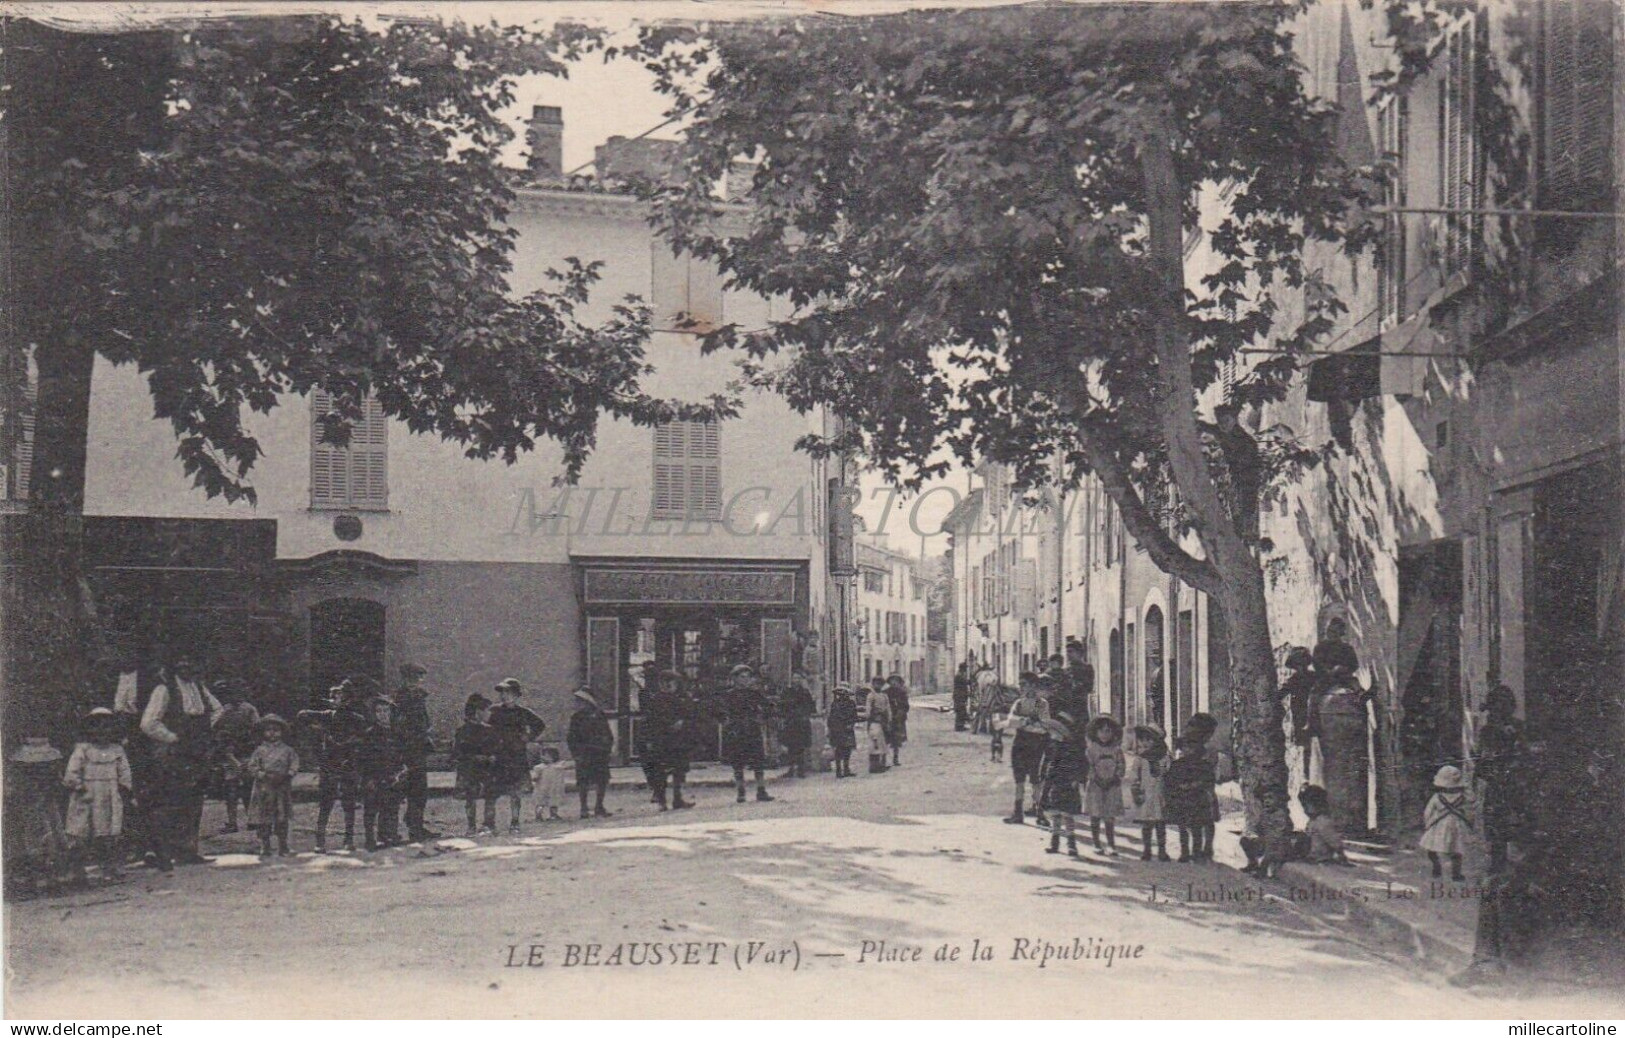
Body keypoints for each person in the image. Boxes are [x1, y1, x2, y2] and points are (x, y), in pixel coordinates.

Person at [140, 655, 223, 866]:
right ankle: (161, 852)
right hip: (172, 753)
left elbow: (218, 710)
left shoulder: (200, 689)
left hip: (195, 751)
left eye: (191, 664)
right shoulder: (164, 689)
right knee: (169, 800)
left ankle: (188, 850)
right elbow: (148, 723)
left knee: (193, 799)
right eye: (182, 664)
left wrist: (202, 732)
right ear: (174, 666)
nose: (186, 668)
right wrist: (173, 738)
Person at [298, 680, 369, 853]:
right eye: (334, 698)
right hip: (329, 764)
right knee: (326, 802)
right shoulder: (327, 715)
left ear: (349, 700)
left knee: (349, 803)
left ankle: (348, 839)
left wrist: (348, 743)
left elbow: (364, 739)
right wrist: (319, 730)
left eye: (342, 697)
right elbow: (302, 715)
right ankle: (320, 840)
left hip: (348, 763)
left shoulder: (357, 718)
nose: (338, 701)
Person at [64, 708, 133, 881]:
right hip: (86, 795)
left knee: (107, 832)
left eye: (107, 727)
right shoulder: (83, 750)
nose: (102, 732)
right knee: (80, 832)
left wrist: (123, 788)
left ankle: (109, 867)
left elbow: (124, 772)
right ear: (89, 729)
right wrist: (79, 787)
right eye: (97, 727)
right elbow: (72, 773)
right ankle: (77, 870)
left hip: (109, 795)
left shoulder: (117, 750)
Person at [6, 734, 79, 894]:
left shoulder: (52, 782)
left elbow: (60, 785)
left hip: (48, 806)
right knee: (35, 840)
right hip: (31, 809)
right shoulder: (22, 783)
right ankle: (39, 877)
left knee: (56, 836)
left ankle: (58, 875)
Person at [1474, 684, 1525, 872]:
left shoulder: (1515, 728)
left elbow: (1522, 752)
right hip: (1500, 782)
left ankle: (1506, 862)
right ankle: (1500, 862)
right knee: (1498, 824)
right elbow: (1483, 758)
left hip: (1509, 781)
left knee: (1506, 822)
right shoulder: (1489, 730)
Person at [488, 678, 546, 834]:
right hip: (499, 755)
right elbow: (488, 730)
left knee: (515, 791)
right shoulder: (495, 711)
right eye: (502, 693)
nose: (504, 696)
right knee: (493, 791)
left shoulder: (523, 712)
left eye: (508, 692)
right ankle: (489, 823)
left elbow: (540, 725)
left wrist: (528, 737)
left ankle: (514, 822)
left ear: (516, 695)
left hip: (516, 755)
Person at [392, 663, 439, 842]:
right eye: (413, 678)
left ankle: (416, 826)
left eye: (419, 678)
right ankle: (394, 830)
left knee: (419, 790)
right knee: (401, 790)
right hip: (405, 750)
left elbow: (424, 721)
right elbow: (399, 726)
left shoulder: (419, 697)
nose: (417, 682)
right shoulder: (400, 699)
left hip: (418, 749)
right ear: (405, 679)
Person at [209, 679, 260, 835]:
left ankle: (252, 820)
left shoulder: (249, 709)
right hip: (230, 753)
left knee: (248, 787)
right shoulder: (224, 711)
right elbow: (217, 729)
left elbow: (257, 729)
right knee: (231, 788)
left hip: (247, 752)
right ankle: (232, 822)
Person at [245, 714, 299, 857]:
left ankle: (283, 846)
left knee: (282, 817)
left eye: (276, 730)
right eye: (268, 730)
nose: (272, 733)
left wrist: (289, 774)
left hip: (281, 786)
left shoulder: (288, 750)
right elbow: (252, 767)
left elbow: (295, 764)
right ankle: (265, 845)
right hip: (264, 788)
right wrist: (262, 775)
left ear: (282, 732)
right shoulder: (259, 750)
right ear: (263, 732)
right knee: (264, 818)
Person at [358, 695, 407, 850]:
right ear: (374, 714)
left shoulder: (396, 733)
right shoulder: (370, 733)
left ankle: (389, 834)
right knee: (372, 808)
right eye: (379, 711)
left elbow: (400, 753)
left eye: (386, 711)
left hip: (392, 774)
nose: (383, 714)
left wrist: (401, 769)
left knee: (392, 805)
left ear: (391, 713)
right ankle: (370, 839)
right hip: (374, 775)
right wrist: (368, 778)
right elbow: (364, 758)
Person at [721, 665, 777, 802]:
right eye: (742, 677)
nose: (745, 680)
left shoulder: (754, 694)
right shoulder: (729, 695)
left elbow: (769, 707)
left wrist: (761, 717)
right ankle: (741, 791)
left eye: (747, 677)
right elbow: (719, 710)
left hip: (752, 729)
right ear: (735, 679)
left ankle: (761, 790)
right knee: (737, 762)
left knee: (758, 761)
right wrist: (726, 722)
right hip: (737, 730)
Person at [1002, 672, 1051, 826]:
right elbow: (1010, 722)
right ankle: (1018, 812)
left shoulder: (1042, 704)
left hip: (1036, 745)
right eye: (1020, 684)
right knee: (1019, 779)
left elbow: (1044, 726)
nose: (1021, 687)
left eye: (1024, 684)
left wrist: (1023, 723)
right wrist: (1028, 721)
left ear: (1033, 686)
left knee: (1035, 779)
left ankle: (1040, 812)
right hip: (1020, 744)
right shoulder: (1019, 703)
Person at [643, 671, 696, 810]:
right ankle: (662, 801)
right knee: (660, 771)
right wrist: (649, 739)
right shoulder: (655, 700)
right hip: (661, 739)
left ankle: (677, 799)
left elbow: (692, 716)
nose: (667, 685)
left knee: (679, 770)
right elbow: (649, 721)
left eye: (671, 681)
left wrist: (683, 722)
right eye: (664, 682)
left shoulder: (683, 699)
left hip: (679, 740)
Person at [1040, 711, 1087, 858]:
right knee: (1055, 815)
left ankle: (1071, 844)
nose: (1051, 734)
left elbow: (1078, 766)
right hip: (1055, 783)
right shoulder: (1052, 746)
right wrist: (1045, 779)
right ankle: (1055, 843)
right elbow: (1047, 764)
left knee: (1067, 815)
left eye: (1053, 731)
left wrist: (1076, 779)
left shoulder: (1070, 750)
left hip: (1066, 784)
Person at [1165, 733, 1218, 863]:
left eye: (1191, 747)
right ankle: (1184, 852)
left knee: (1197, 827)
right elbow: (1170, 781)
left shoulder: (1204, 764)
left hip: (1199, 800)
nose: (1188, 750)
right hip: (1182, 799)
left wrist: (1197, 785)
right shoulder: (1177, 765)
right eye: (1185, 747)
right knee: (1182, 827)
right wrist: (1179, 787)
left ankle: (1197, 852)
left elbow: (1209, 780)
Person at [454, 693, 500, 835]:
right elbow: (458, 753)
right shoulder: (463, 731)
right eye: (487, 710)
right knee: (470, 797)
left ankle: (489, 824)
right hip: (470, 769)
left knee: (490, 796)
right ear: (477, 712)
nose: (489, 713)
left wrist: (493, 756)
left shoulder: (490, 730)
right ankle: (471, 826)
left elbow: (496, 747)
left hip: (487, 769)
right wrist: (476, 757)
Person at [566, 688, 615, 818]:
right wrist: (576, 754)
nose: (577, 704)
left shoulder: (599, 715)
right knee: (583, 781)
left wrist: (607, 749)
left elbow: (608, 734)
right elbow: (571, 737)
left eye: (580, 701)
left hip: (599, 753)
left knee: (602, 780)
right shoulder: (576, 718)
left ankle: (599, 806)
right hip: (584, 753)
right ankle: (584, 808)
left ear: (588, 702)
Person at [1126, 723, 1170, 862]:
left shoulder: (1164, 758)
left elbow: (1169, 775)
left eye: (1149, 739)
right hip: (1146, 795)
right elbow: (1134, 776)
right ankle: (1147, 850)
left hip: (1160, 794)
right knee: (1147, 824)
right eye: (1142, 739)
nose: (1145, 743)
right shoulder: (1140, 759)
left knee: (1160, 824)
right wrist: (1136, 790)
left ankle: (1162, 850)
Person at [1421, 764, 1472, 881]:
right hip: (1456, 825)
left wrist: (1427, 823)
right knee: (1456, 849)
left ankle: (1436, 866)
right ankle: (1456, 874)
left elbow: (1428, 812)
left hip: (1439, 824)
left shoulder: (1437, 797)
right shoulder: (1463, 797)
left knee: (1431, 847)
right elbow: (1470, 809)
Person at [1083, 715, 1125, 856]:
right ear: (1095, 732)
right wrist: (1095, 779)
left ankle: (1111, 844)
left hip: (1112, 785)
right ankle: (1096, 843)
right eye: (1101, 731)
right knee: (1095, 814)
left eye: (1108, 731)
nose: (1105, 734)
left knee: (1109, 816)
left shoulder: (1117, 750)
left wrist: (1115, 777)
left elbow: (1121, 765)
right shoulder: (1091, 749)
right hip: (1096, 785)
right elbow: (1088, 766)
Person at [1280, 646, 1317, 776]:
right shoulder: (1293, 680)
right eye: (1297, 665)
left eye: (1302, 664)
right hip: (1300, 715)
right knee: (1306, 747)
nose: (1300, 667)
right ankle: (1307, 776)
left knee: (1316, 745)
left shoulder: (1314, 677)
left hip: (1315, 714)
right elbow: (1280, 694)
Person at [778, 676, 817, 779]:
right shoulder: (787, 692)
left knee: (801, 747)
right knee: (790, 746)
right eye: (794, 678)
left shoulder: (805, 692)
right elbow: (782, 706)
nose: (796, 680)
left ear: (801, 680)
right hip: (790, 722)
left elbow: (811, 707)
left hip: (801, 722)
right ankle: (791, 769)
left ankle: (801, 769)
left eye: (798, 678)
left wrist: (805, 715)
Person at [826, 683, 859, 778]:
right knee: (838, 749)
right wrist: (830, 729)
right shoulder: (835, 704)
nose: (842, 694)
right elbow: (831, 717)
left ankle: (846, 768)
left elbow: (854, 716)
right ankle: (838, 770)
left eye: (844, 692)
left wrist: (851, 724)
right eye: (840, 692)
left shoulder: (851, 704)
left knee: (847, 749)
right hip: (837, 729)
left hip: (847, 728)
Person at [530, 746, 569, 822]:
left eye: (545, 755)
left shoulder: (558, 766)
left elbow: (534, 778)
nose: (542, 757)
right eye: (542, 755)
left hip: (552, 788)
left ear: (553, 757)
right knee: (541, 802)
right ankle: (539, 815)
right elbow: (535, 777)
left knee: (552, 802)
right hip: (543, 788)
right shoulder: (540, 768)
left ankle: (552, 815)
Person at [862, 678, 892, 775]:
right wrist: (868, 717)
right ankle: (873, 766)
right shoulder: (871, 696)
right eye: (876, 683)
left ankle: (882, 764)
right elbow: (868, 710)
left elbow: (888, 709)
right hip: (874, 722)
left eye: (880, 684)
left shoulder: (884, 696)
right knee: (874, 743)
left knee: (883, 744)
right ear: (873, 684)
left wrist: (889, 720)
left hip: (883, 722)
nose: (877, 686)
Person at [883, 675, 910, 767]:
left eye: (896, 681)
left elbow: (906, 706)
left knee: (896, 740)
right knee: (885, 739)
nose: (894, 683)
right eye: (892, 681)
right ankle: (884, 759)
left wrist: (900, 713)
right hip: (887, 718)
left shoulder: (902, 693)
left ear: (899, 682)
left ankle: (895, 758)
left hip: (898, 719)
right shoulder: (885, 692)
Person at [952, 661, 972, 732]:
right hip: (959, 696)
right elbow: (965, 682)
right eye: (965, 669)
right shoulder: (959, 675)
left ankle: (960, 725)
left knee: (961, 711)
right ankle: (959, 726)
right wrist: (971, 681)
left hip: (960, 696)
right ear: (963, 669)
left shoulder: (960, 675)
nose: (966, 671)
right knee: (960, 711)